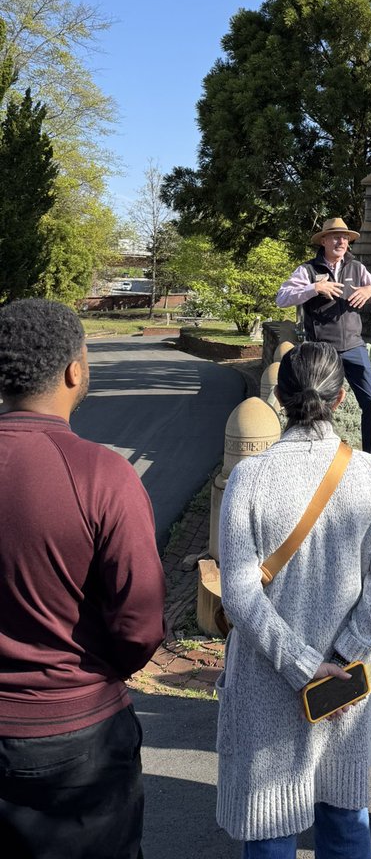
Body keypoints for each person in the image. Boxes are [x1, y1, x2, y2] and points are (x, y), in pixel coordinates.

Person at [216, 341, 371, 858]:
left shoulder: (249, 478)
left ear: (280, 396)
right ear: (342, 399)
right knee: (344, 818)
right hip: (343, 687)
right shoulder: (369, 473)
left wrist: (302, 664)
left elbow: (238, 593)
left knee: (271, 826)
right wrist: (342, 657)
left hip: (266, 680)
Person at [0, 299, 166, 859]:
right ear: (74, 371)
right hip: (75, 734)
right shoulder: (102, 475)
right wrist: (96, 675)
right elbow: (140, 624)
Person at [276, 217, 371, 455]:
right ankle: (320, 451)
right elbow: (282, 298)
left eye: (345, 237)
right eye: (336, 236)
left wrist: (370, 290)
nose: (341, 241)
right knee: (318, 404)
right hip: (321, 351)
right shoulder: (307, 270)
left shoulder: (357, 268)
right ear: (324, 240)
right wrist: (314, 289)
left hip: (354, 346)